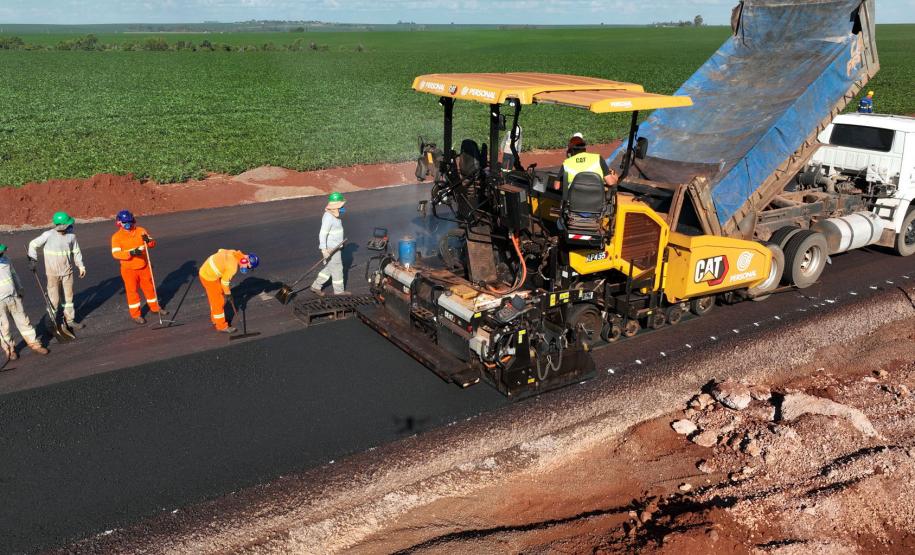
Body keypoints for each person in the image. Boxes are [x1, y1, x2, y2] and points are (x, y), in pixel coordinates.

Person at [27, 211, 86, 330]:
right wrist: (32, 260)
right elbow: (33, 244)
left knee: (68, 299)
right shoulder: (48, 235)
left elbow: (76, 251)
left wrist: (81, 266)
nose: (70, 226)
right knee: (54, 300)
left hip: (67, 272)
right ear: (62, 225)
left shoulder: (71, 236)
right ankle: (51, 323)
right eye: (68, 224)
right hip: (52, 274)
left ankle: (69, 320)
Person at [111, 210, 168, 325]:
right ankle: (136, 315)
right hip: (128, 269)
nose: (127, 224)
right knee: (132, 292)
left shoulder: (141, 231)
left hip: (144, 267)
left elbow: (152, 244)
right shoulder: (116, 237)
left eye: (129, 221)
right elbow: (116, 254)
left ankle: (155, 308)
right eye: (124, 222)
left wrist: (149, 241)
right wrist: (131, 253)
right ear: (119, 223)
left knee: (149, 288)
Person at [0, 243, 49, 360]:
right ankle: (10, 350)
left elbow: (14, 274)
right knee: (4, 327)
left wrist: (20, 288)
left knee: (24, 321)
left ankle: (35, 345)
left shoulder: (6, 259)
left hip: (13, 296)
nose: (2, 253)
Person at [198, 249, 259, 333]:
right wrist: (228, 294)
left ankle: (215, 319)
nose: (247, 268)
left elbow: (220, 250)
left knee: (215, 298)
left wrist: (221, 266)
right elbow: (224, 282)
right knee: (218, 301)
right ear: (247, 263)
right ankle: (221, 326)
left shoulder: (233, 253)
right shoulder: (232, 267)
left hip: (207, 270)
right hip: (209, 277)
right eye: (248, 267)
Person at [310, 192, 350, 297]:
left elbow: (335, 233)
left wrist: (341, 244)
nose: (343, 208)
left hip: (336, 247)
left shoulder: (334, 215)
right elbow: (322, 233)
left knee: (329, 268)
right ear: (336, 206)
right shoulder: (328, 217)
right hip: (331, 248)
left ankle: (316, 286)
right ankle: (339, 291)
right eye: (341, 206)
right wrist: (324, 249)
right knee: (337, 268)